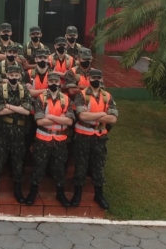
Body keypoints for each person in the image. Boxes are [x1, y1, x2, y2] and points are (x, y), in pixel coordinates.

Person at [70, 68, 117, 210]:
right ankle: (77, 194)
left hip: (99, 137)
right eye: (93, 78)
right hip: (83, 135)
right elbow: (82, 116)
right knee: (80, 166)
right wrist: (103, 114)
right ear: (89, 79)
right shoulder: (82, 95)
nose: (96, 80)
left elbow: (113, 119)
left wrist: (93, 115)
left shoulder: (107, 96)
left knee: (98, 166)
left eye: (98, 78)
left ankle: (99, 195)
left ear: (101, 79)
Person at [27, 71, 74, 207]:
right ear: (47, 83)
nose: (54, 84)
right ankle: (33, 193)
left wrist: (51, 117)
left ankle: (61, 194)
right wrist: (60, 119)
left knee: (59, 168)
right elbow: (39, 121)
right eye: (51, 82)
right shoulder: (40, 98)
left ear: (60, 83)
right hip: (43, 138)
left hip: (60, 140)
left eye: (56, 82)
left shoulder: (66, 99)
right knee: (38, 167)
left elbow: (70, 121)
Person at [0, 64, 33, 204]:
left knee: (18, 161)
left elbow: (27, 111)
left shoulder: (24, 90)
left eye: (16, 75)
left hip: (19, 132)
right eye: (11, 75)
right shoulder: (1, 90)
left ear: (20, 76)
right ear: (7, 75)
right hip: (3, 131)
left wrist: (8, 105)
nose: (14, 77)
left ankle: (18, 191)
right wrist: (18, 108)